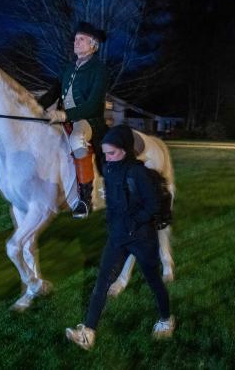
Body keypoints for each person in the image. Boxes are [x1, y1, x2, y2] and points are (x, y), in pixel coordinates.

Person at [65, 125, 175, 351]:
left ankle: (166, 319)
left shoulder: (139, 173)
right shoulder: (109, 168)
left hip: (142, 238)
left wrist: (134, 223)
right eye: (105, 154)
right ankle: (88, 332)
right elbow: (114, 203)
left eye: (112, 153)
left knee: (153, 281)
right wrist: (113, 223)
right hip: (117, 237)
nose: (107, 158)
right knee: (102, 282)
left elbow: (153, 205)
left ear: (125, 150)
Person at [39, 22, 110, 219]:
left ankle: (85, 200)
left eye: (81, 39)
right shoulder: (68, 68)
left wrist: (64, 115)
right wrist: (36, 107)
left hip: (88, 120)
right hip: (65, 119)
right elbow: (53, 91)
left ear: (93, 44)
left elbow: (94, 105)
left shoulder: (100, 70)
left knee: (77, 139)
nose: (75, 42)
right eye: (75, 39)